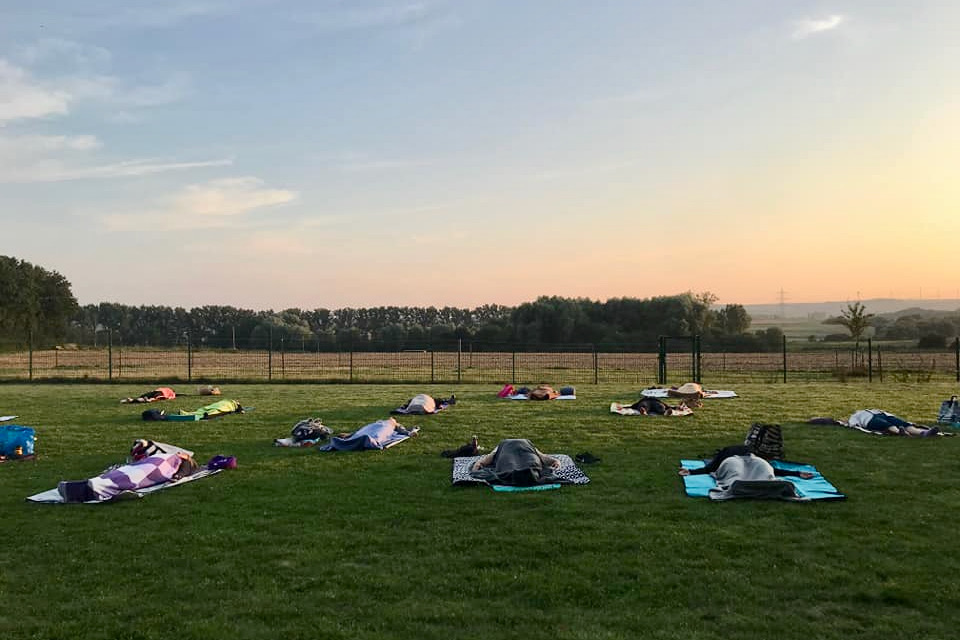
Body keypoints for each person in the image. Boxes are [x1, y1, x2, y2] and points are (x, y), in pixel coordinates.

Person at [470, 438, 561, 486]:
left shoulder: (501, 445)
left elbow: (487, 459)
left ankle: (516, 473)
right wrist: (554, 461)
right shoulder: (527, 443)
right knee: (530, 462)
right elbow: (542, 456)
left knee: (510, 465)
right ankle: (530, 472)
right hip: (524, 452)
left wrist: (478, 465)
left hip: (521, 452)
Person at [846, 409, 942, 437]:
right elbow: (853, 425)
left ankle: (924, 433)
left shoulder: (874, 409)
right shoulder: (854, 416)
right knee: (887, 425)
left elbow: (889, 414)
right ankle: (900, 432)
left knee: (904, 424)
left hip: (885, 415)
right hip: (869, 421)